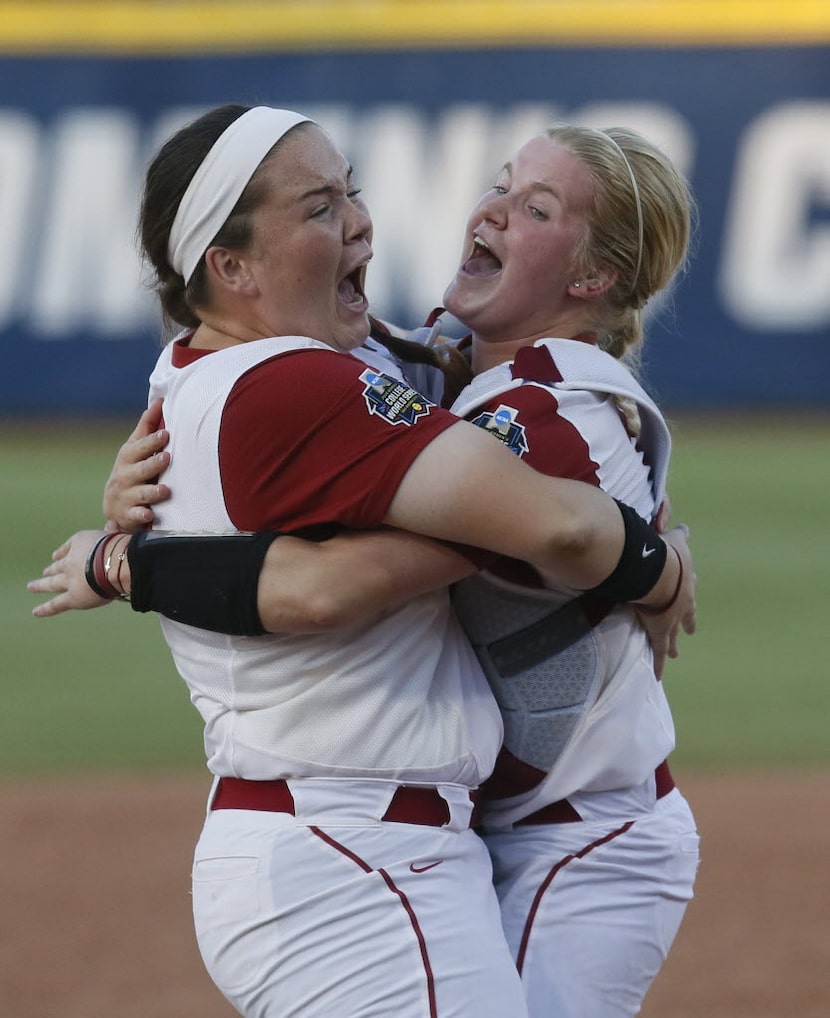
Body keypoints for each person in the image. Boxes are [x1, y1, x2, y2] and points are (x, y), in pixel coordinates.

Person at [28, 104, 695, 1018]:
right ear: (230, 266)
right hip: (351, 853)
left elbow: (471, 458)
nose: (361, 221)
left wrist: (125, 557)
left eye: (353, 192)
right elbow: (334, 584)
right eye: (318, 207)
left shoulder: (296, 364)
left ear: (598, 276)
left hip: (479, 840)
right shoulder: (313, 377)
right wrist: (653, 561)